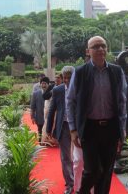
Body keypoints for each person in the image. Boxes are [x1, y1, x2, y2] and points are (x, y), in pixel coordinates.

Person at [67, 36, 127, 194]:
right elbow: (70, 101)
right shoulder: (80, 72)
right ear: (88, 51)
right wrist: (73, 130)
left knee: (106, 173)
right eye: (95, 47)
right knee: (94, 170)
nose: (100, 49)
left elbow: (122, 102)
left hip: (111, 128)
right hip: (90, 129)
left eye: (103, 46)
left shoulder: (116, 71)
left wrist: (122, 129)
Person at [46, 66, 75, 194]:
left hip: (78, 128)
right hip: (63, 126)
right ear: (62, 78)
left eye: (70, 77)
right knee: (65, 157)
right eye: (65, 78)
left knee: (79, 157)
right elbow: (52, 109)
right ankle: (70, 183)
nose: (67, 80)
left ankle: (79, 180)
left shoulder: (80, 89)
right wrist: (48, 129)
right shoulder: (57, 90)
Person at [30, 76, 49, 144]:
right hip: (39, 115)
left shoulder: (51, 93)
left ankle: (47, 141)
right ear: (40, 84)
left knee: (48, 129)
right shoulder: (36, 94)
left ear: (48, 84)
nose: (43, 85)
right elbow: (32, 106)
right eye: (42, 83)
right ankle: (40, 142)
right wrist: (32, 117)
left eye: (45, 84)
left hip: (48, 116)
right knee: (40, 130)